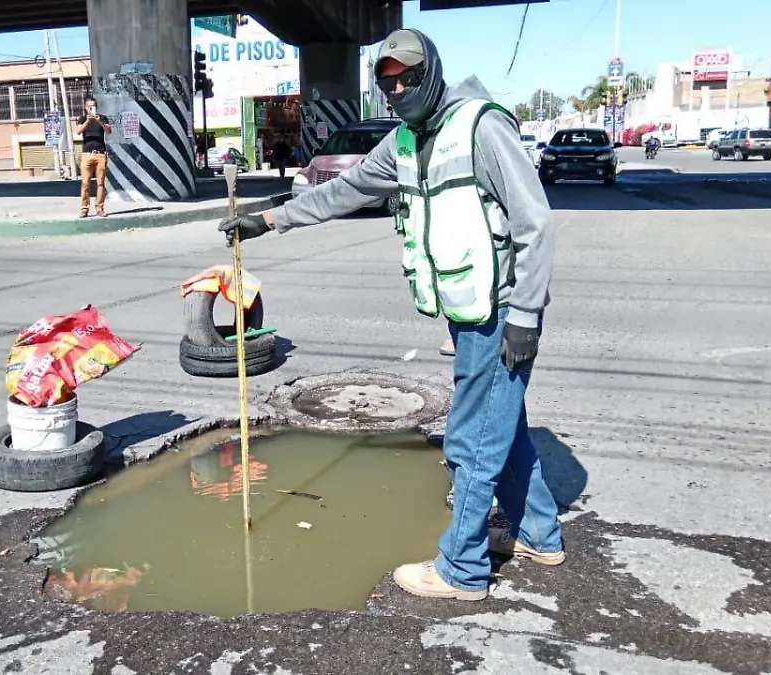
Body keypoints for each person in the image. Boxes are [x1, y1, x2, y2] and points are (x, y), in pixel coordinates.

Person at [217, 28, 565, 602]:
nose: (400, 89)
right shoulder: (405, 139)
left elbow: (535, 222)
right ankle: (539, 534)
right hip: (467, 310)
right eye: (389, 82)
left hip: (502, 313)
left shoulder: (482, 126)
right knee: (505, 428)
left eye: (409, 77)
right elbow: (345, 190)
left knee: (471, 440)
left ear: (432, 71)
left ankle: (463, 571)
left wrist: (526, 313)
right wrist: (271, 219)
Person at [73, 97, 112, 218]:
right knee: (85, 183)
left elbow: (109, 131)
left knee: (100, 183)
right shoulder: (82, 118)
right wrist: (88, 121)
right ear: (85, 108)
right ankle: (84, 209)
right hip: (87, 154)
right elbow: (78, 131)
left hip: (100, 154)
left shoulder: (102, 117)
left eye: (93, 106)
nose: (91, 108)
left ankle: (100, 208)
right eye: (89, 106)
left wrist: (99, 121)